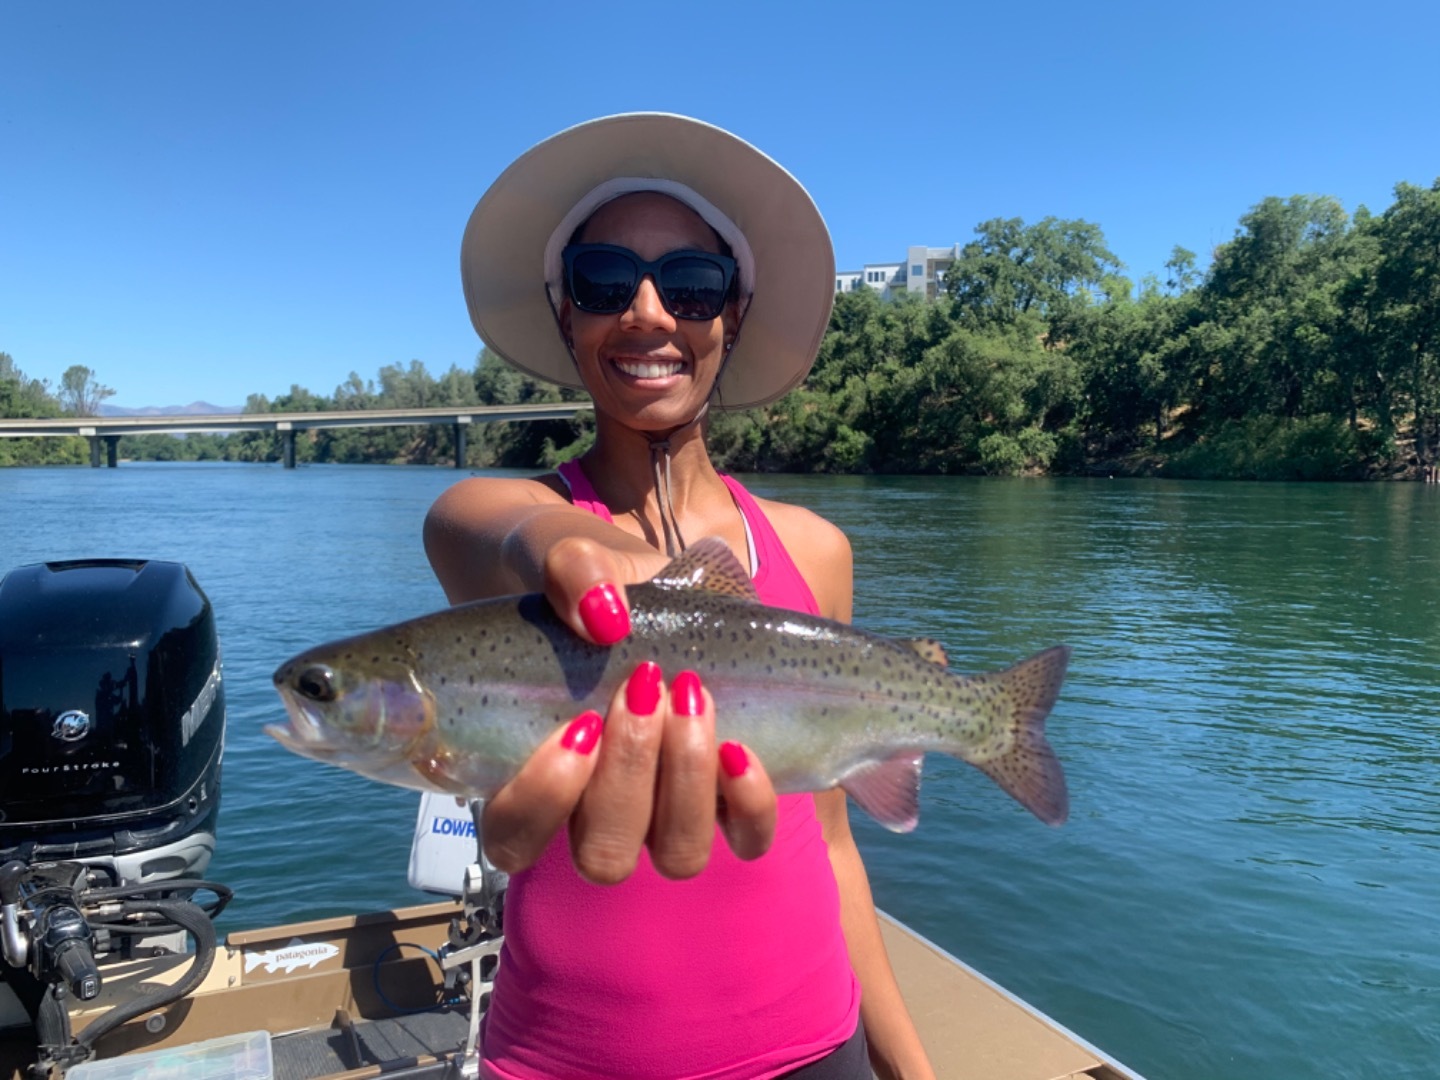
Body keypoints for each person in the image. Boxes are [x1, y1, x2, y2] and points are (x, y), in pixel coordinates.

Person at [424, 113, 935, 1080]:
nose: (650, 313)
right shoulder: (490, 517)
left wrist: (910, 1066)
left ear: (730, 314)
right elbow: (494, 530)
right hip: (563, 1061)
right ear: (564, 309)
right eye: (604, 280)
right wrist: (569, 543)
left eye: (692, 285)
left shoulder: (816, 551)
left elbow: (829, 843)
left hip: (818, 1044)